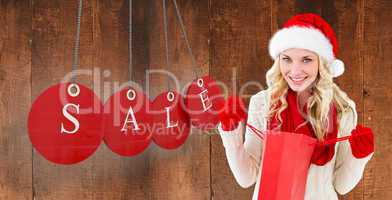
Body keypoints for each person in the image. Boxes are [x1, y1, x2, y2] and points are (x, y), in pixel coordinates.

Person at [217, 13, 374, 200]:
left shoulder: (343, 109)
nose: (295, 70)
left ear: (321, 63)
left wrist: (360, 157)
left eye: (306, 59)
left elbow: (342, 185)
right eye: (287, 59)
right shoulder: (263, 103)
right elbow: (246, 178)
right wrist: (231, 133)